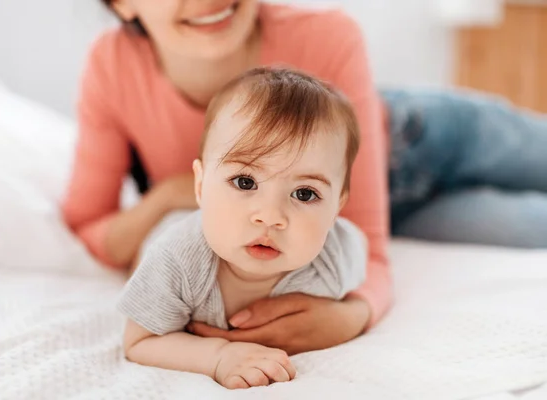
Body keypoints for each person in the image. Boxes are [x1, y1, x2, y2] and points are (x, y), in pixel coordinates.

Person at [63, 1, 547, 354]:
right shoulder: (112, 68)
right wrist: (168, 196)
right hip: (326, 212)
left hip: (418, 138)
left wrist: (354, 315)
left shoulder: (327, 35)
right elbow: (88, 225)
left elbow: (368, 246)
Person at [120, 67, 368, 389]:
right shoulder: (175, 260)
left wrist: (355, 312)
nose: (270, 216)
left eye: (305, 193)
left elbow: (362, 271)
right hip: (163, 230)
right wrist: (219, 355)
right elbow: (139, 340)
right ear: (200, 185)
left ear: (337, 208)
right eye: (245, 181)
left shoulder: (336, 256)